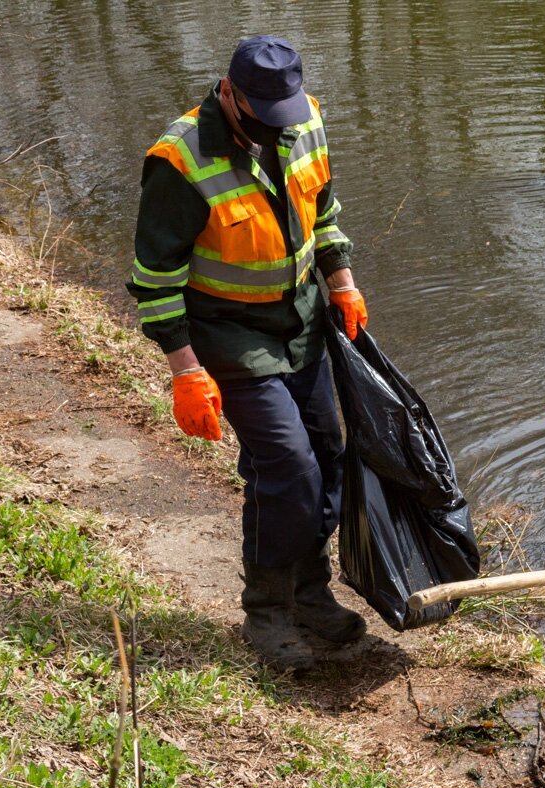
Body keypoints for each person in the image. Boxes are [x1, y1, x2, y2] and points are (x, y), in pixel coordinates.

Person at [126, 35, 367, 670]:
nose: (273, 124)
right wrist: (184, 370)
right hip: (228, 331)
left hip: (303, 320)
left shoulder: (304, 117)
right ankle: (266, 610)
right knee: (287, 465)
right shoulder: (180, 161)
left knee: (328, 455)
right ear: (228, 92)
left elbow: (326, 211)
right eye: (259, 111)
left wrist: (341, 283)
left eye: (281, 112)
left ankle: (310, 591)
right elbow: (154, 278)